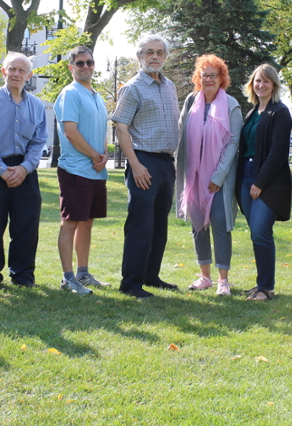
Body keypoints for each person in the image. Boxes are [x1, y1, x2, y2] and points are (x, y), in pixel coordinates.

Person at [111, 35, 180, 298]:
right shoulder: (132, 87)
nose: (155, 57)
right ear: (140, 56)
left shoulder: (170, 86)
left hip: (166, 163)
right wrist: (136, 166)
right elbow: (121, 127)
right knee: (141, 225)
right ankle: (131, 283)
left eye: (160, 52)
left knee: (159, 225)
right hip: (144, 162)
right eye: (149, 52)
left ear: (165, 57)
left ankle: (151, 276)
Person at [0, 52, 48, 288]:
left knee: (26, 226)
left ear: (29, 75)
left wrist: (25, 168)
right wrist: (3, 170)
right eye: (11, 69)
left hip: (25, 171)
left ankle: (23, 275)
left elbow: (39, 142)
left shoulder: (37, 106)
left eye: (21, 70)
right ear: (3, 71)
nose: (16, 74)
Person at [175, 55, 242, 296]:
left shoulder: (231, 104)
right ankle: (204, 277)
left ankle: (223, 280)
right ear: (198, 78)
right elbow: (181, 132)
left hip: (218, 179)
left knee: (220, 224)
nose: (209, 79)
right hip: (193, 175)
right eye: (205, 75)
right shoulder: (192, 101)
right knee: (197, 226)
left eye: (214, 75)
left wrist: (219, 175)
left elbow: (234, 142)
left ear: (221, 78)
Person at [54, 46, 110, 296]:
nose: (85, 66)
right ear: (71, 67)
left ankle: (83, 273)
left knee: (87, 222)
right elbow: (71, 132)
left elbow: (99, 130)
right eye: (79, 63)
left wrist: (104, 153)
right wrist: (94, 155)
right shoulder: (70, 93)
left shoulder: (96, 95)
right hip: (76, 169)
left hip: (95, 171)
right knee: (71, 222)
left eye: (89, 62)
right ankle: (68, 279)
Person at [237, 64, 292, 301]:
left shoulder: (280, 112)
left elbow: (278, 153)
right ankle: (260, 284)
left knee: (260, 231)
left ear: (274, 85)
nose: (261, 85)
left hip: (268, 181)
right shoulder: (251, 113)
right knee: (255, 233)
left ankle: (266, 287)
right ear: (252, 84)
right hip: (245, 177)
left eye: (267, 81)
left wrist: (259, 182)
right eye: (258, 81)